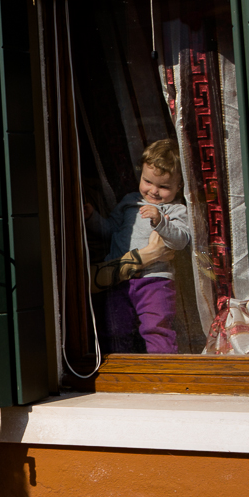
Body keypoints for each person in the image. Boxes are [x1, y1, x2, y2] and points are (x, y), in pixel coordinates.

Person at [84, 139, 191, 353]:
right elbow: (111, 229)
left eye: (163, 186)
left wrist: (160, 221)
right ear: (140, 174)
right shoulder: (130, 201)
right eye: (147, 181)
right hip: (117, 278)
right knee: (115, 329)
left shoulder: (176, 210)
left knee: (156, 327)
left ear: (179, 186)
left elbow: (181, 240)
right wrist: (92, 217)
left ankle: (164, 372)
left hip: (155, 280)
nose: (153, 191)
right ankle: (119, 371)